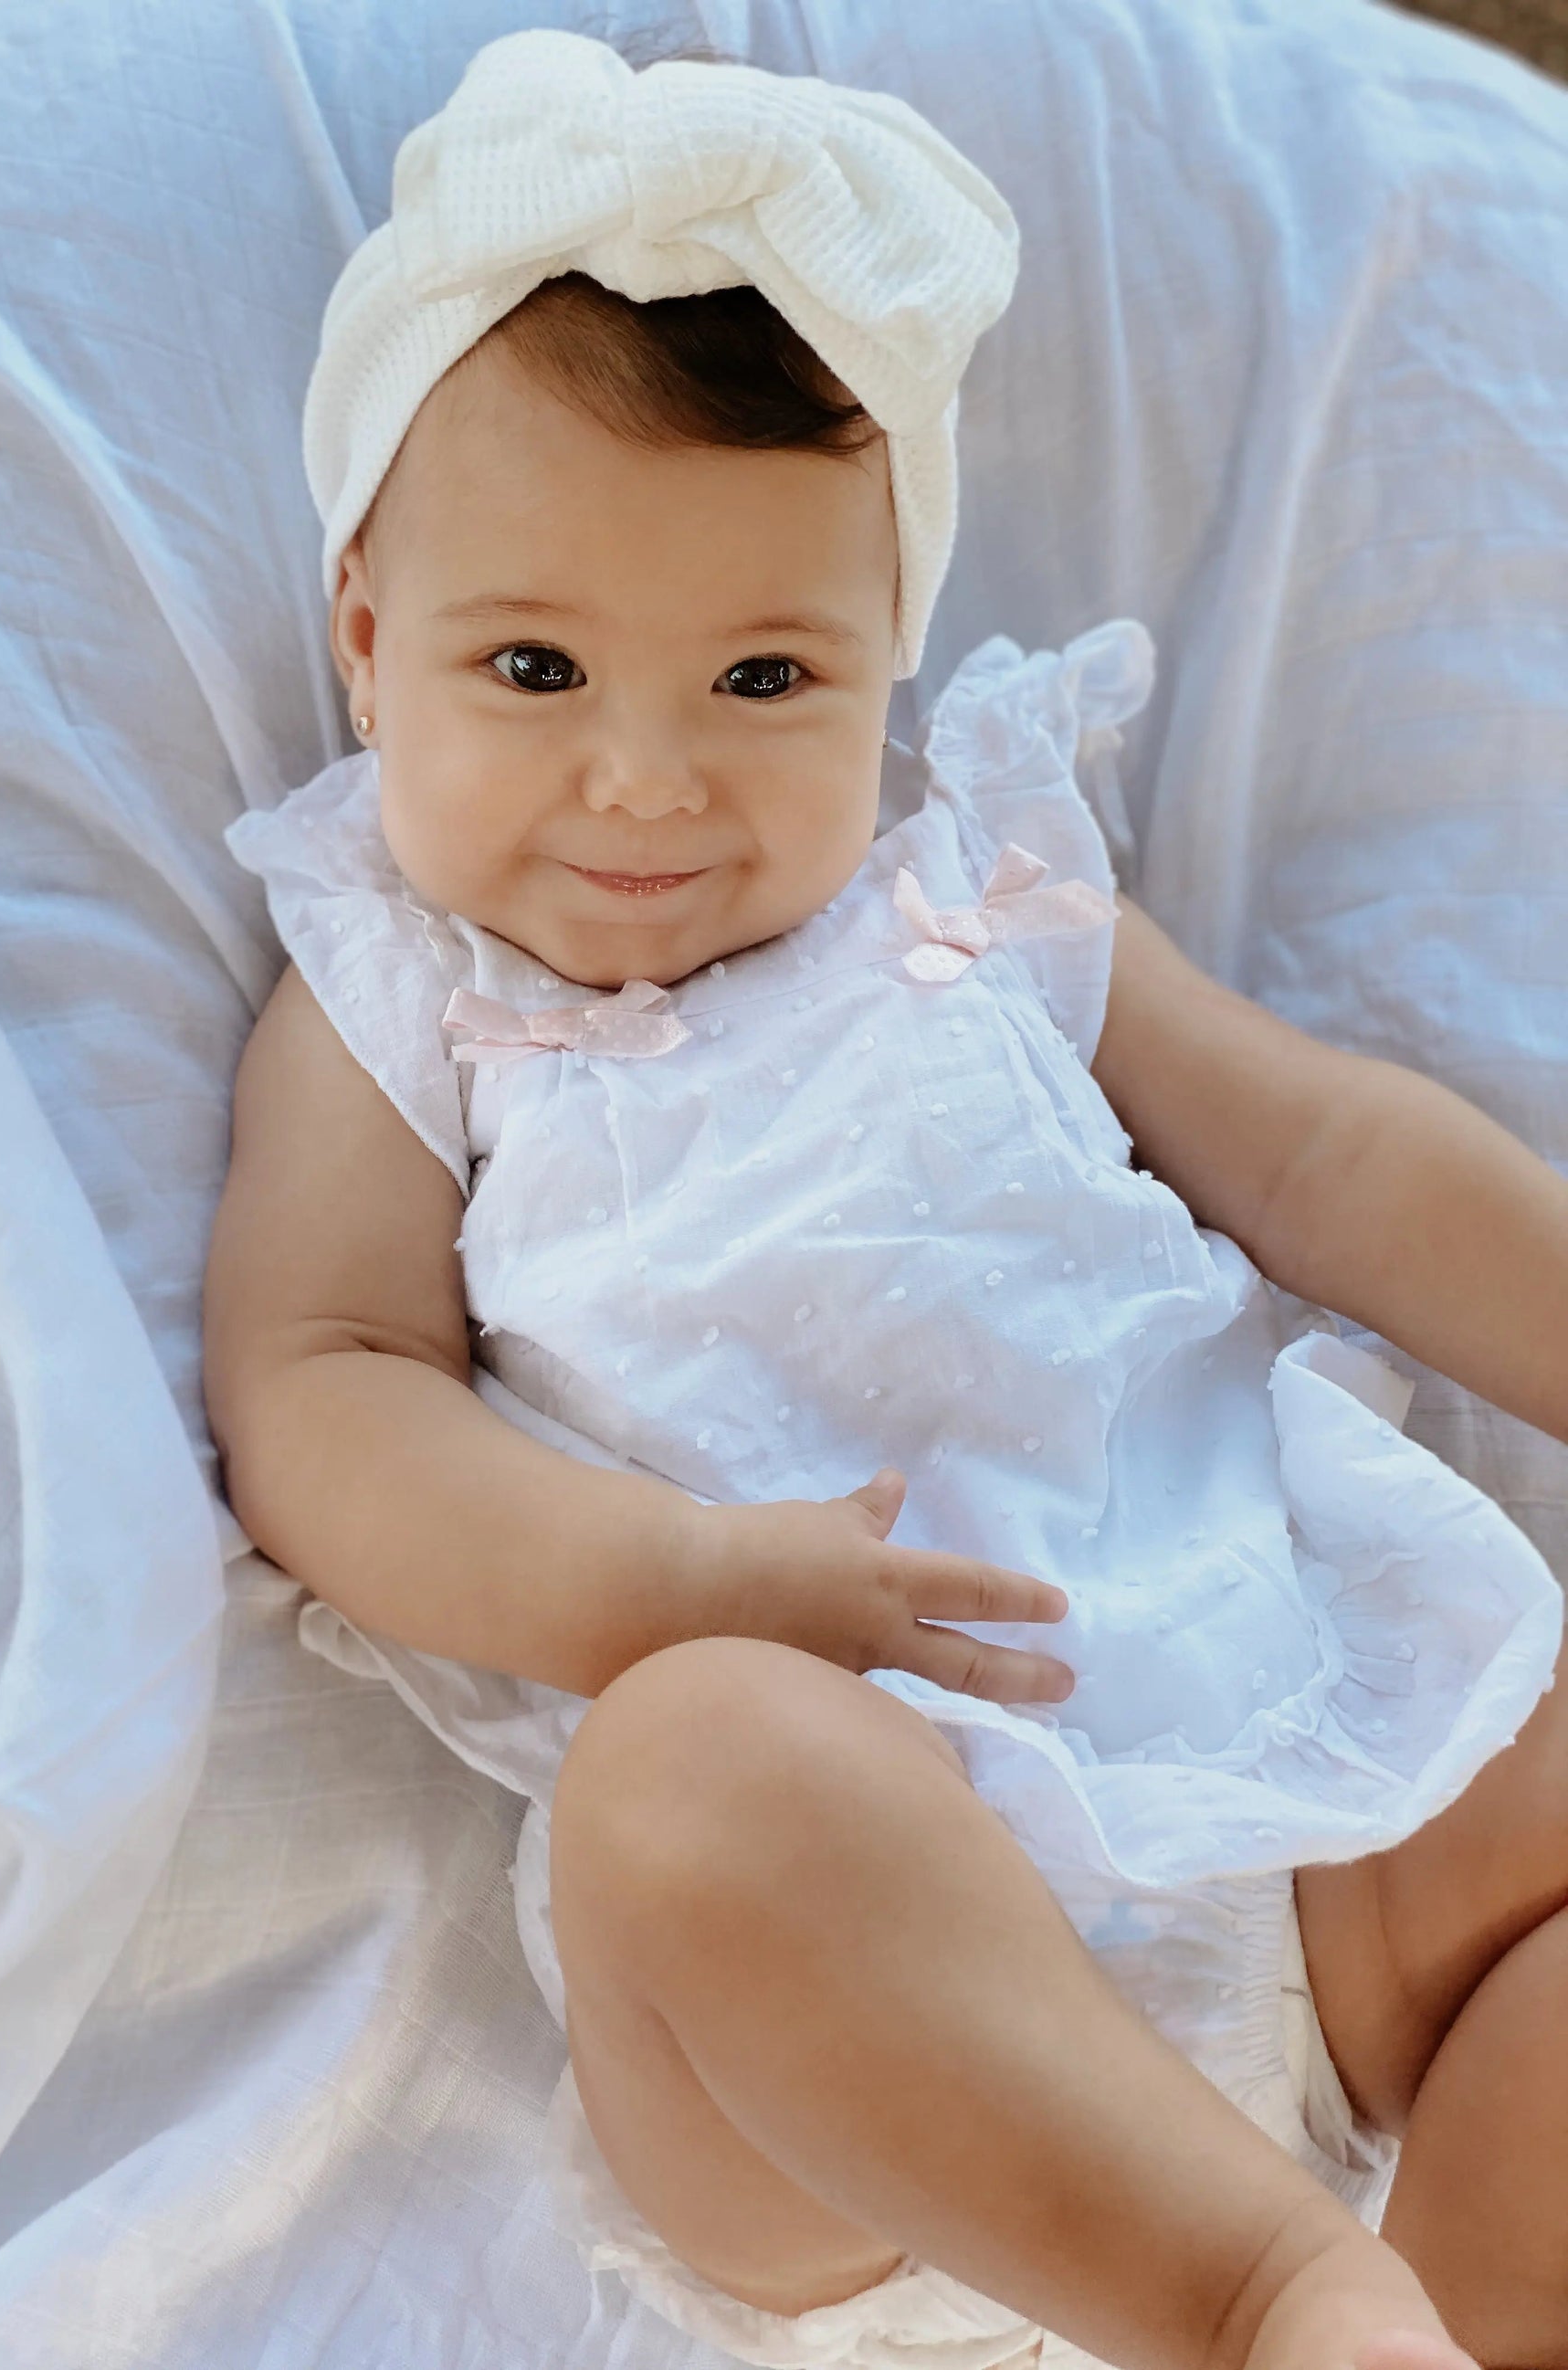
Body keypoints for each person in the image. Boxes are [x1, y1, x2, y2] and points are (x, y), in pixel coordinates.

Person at [202, 29, 1568, 2370]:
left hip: (1315, 1790)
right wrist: (677, 1582)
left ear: (887, 659)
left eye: (763, 674)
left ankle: (1459, 2302)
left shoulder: (979, 887)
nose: (646, 777)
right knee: (688, 1776)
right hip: (883, 2031)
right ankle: (1260, 2293)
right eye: (531, 666)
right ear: (362, 638)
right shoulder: (404, 985)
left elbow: (1325, 1152)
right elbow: (318, 1392)